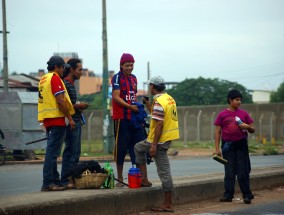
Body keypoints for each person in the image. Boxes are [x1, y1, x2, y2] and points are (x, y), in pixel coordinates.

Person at [135, 76, 180, 212]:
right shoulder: (169, 98)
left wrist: (154, 145)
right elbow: (158, 116)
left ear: (153, 86)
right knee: (138, 148)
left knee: (164, 171)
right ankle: (144, 179)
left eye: (150, 86)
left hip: (159, 140)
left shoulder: (159, 101)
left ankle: (167, 204)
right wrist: (149, 106)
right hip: (167, 137)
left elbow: (159, 124)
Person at [38, 56, 75, 191]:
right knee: (52, 153)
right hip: (56, 119)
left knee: (52, 152)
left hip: (48, 120)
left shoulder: (44, 79)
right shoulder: (54, 78)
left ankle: (55, 181)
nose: (63, 71)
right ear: (56, 67)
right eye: (62, 68)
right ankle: (48, 183)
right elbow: (60, 100)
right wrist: (70, 119)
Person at [214, 89, 255, 204]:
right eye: (237, 100)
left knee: (243, 172)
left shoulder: (244, 114)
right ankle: (228, 195)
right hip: (227, 146)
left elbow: (253, 129)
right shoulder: (222, 115)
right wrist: (217, 149)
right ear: (230, 100)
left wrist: (247, 127)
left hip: (241, 145)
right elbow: (217, 132)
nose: (239, 102)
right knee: (229, 172)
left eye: (240, 100)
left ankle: (247, 195)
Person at [111, 53, 146, 186]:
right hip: (121, 117)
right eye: (127, 65)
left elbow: (133, 96)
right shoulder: (117, 78)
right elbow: (116, 97)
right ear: (121, 65)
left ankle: (138, 175)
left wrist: (137, 107)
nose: (130, 68)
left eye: (131, 65)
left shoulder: (134, 78)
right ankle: (119, 177)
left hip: (134, 118)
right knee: (121, 147)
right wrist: (130, 107)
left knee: (137, 146)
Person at [61, 58, 89, 188]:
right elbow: (64, 104)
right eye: (79, 69)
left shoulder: (71, 84)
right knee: (71, 152)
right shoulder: (66, 84)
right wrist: (78, 106)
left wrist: (78, 105)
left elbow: (70, 103)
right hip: (71, 122)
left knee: (76, 152)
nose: (81, 72)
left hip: (76, 121)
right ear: (71, 69)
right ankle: (66, 179)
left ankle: (71, 177)